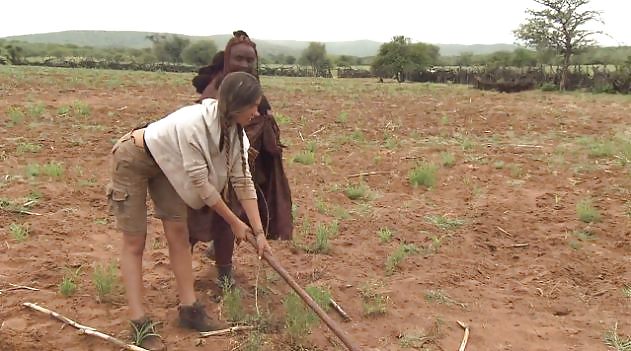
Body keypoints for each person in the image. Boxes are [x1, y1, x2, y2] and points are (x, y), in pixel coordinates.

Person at [106, 72, 271, 350]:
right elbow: (203, 186)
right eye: (253, 106)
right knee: (135, 241)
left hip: (168, 165)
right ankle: (139, 321)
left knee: (178, 234)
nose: (257, 112)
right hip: (135, 157)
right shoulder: (194, 125)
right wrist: (233, 222)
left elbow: (243, 182)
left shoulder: (236, 134)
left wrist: (258, 231)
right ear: (236, 105)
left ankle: (189, 309)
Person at [188, 31, 293, 286]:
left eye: (250, 60)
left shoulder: (252, 90)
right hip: (210, 167)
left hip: (242, 166)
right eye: (239, 59)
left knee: (233, 212)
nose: (245, 65)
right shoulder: (215, 95)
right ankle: (185, 275)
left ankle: (224, 272)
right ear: (227, 59)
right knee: (199, 217)